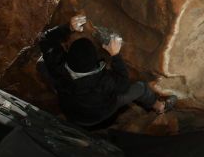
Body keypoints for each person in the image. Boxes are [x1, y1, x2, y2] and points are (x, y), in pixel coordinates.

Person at [37, 13, 176, 128]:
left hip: (72, 112)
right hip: (101, 113)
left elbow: (44, 38)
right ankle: (159, 107)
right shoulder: (104, 81)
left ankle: (58, 90)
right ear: (95, 61)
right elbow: (123, 83)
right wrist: (115, 55)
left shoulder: (57, 66)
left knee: (42, 63)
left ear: (67, 56)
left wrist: (68, 27)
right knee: (141, 88)